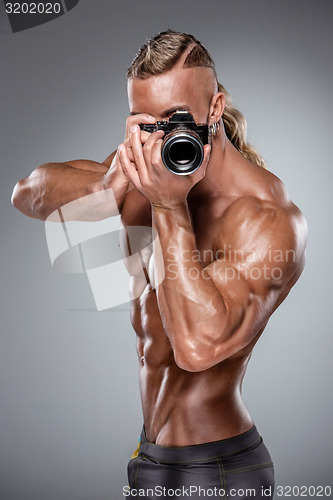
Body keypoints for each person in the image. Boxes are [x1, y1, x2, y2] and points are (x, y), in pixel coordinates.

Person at [11, 30, 307, 499]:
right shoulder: (147, 167)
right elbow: (25, 192)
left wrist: (169, 207)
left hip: (217, 469)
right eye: (145, 122)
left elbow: (196, 348)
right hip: (151, 457)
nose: (162, 135)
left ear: (215, 107)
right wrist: (103, 189)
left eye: (177, 119)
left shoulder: (265, 217)